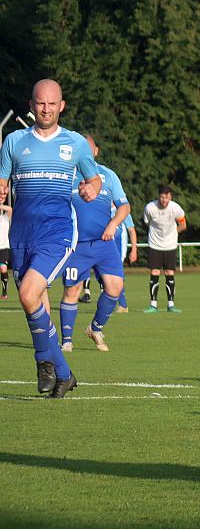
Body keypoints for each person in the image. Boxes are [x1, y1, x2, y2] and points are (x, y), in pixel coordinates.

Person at [0, 79, 104, 398]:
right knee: (37, 303)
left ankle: (42, 361)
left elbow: (95, 179)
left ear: (62, 105)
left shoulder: (75, 144)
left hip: (57, 233)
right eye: (40, 103)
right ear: (31, 106)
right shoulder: (14, 142)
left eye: (52, 103)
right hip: (21, 235)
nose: (46, 109)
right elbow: (2, 182)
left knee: (29, 294)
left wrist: (92, 189)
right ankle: (64, 374)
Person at [58, 135, 130, 352]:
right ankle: (67, 340)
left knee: (115, 287)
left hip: (104, 244)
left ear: (96, 152)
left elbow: (124, 207)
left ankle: (95, 328)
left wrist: (113, 224)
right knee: (73, 290)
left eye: (89, 151)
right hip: (76, 245)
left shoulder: (108, 175)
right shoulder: (67, 175)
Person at [142, 184, 185, 313]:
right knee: (154, 272)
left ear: (170, 197)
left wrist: (172, 234)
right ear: (158, 197)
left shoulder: (176, 208)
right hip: (155, 244)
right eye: (162, 197)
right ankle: (153, 305)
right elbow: (146, 223)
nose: (164, 200)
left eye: (167, 197)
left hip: (170, 245)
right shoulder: (150, 208)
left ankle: (170, 304)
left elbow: (183, 224)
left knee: (169, 273)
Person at [0, 202, 10, 299]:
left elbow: (10, 209)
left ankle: (4, 292)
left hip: (4, 247)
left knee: (3, 269)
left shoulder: (5, 217)